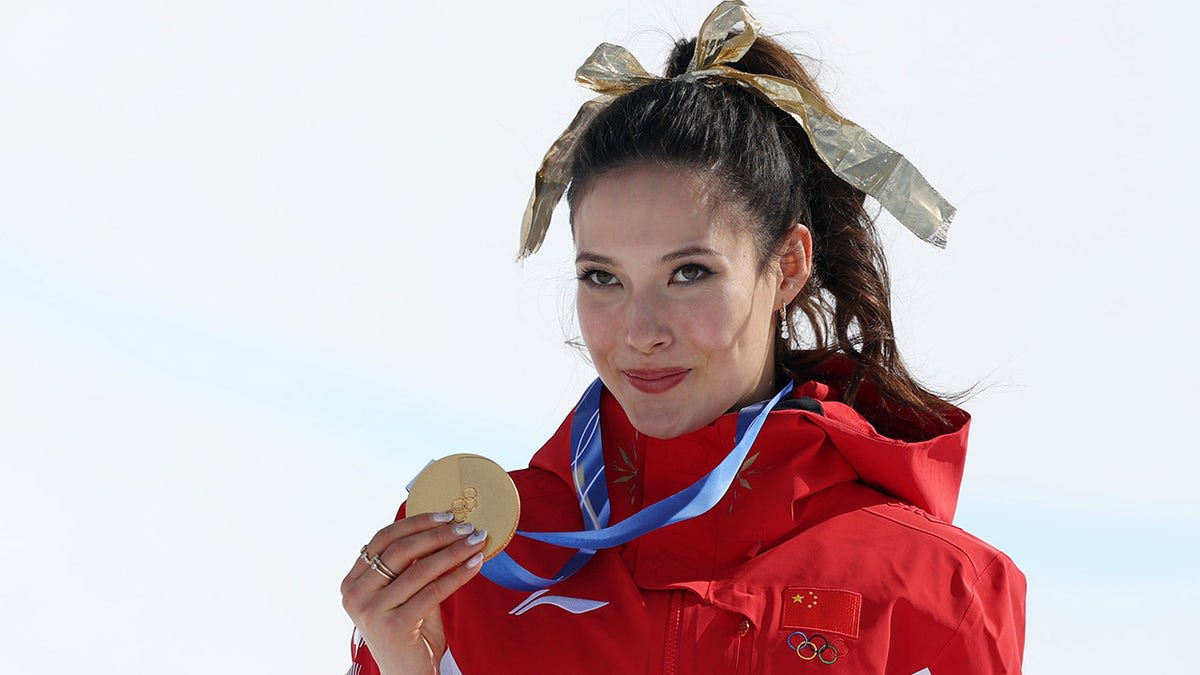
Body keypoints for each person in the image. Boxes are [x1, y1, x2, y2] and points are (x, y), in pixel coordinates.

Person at [340, 2, 1026, 673]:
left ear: (787, 267)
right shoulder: (473, 560)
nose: (640, 332)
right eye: (603, 278)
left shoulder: (939, 589)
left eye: (689, 273)